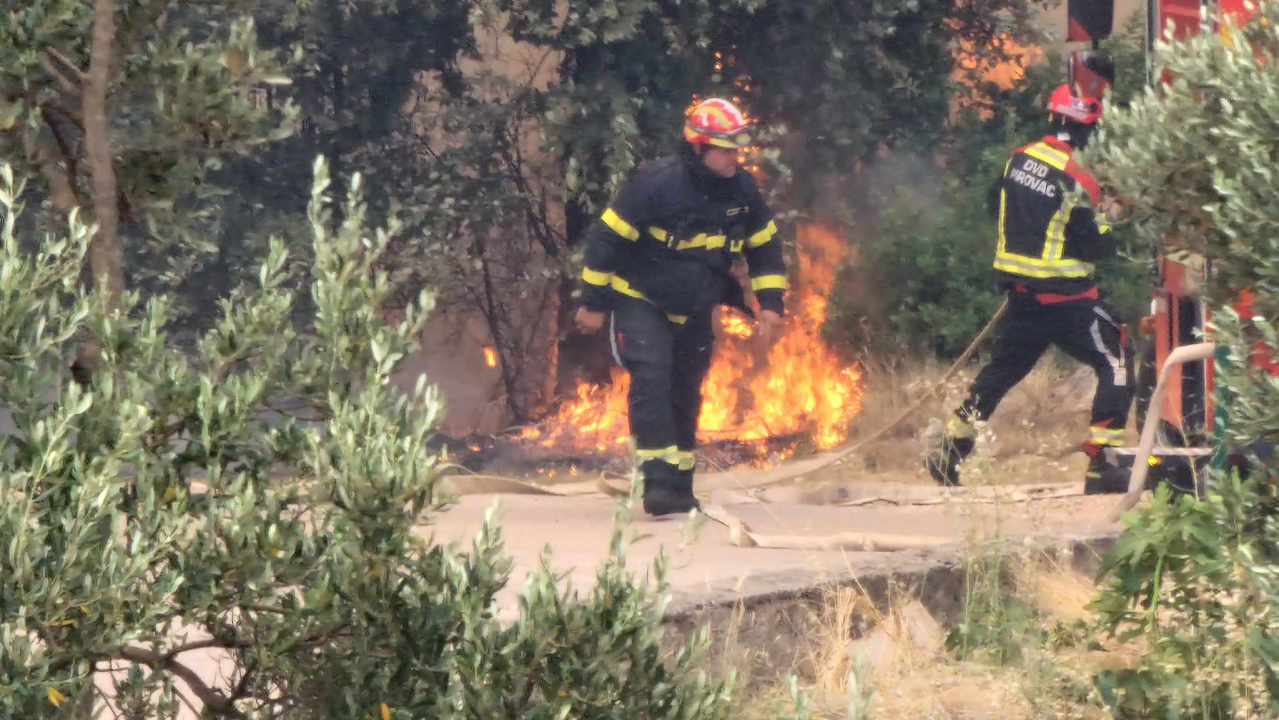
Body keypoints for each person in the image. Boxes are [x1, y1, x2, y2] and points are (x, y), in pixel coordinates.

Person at [573, 98, 787, 516]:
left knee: (687, 390)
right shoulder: (657, 184)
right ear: (699, 147)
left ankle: (680, 484)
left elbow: (765, 246)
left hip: (696, 305)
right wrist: (594, 303)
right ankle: (657, 484)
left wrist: (771, 305)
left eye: (736, 149)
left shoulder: (741, 190)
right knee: (652, 379)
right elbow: (606, 240)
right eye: (725, 148)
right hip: (642, 298)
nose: (733, 157)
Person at [925, 83, 1134, 493]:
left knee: (1002, 372)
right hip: (1068, 298)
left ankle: (951, 446)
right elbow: (1096, 243)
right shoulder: (1079, 177)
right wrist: (1114, 213)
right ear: (1085, 129)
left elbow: (1004, 211)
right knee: (1118, 361)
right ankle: (1102, 465)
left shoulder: (1018, 160)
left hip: (1022, 296)